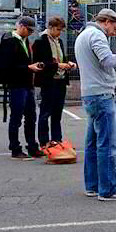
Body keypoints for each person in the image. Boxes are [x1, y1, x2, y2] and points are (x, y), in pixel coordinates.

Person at [74, 8, 116, 201]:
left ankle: (92, 186)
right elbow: (108, 61)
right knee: (107, 144)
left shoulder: (83, 35)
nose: (115, 32)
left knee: (92, 144)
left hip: (89, 94)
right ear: (106, 21)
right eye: (115, 27)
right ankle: (108, 190)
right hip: (101, 95)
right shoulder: (97, 36)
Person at [0, 16, 43, 159]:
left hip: (27, 84)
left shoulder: (25, 41)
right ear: (22, 27)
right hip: (16, 84)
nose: (30, 33)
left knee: (31, 116)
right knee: (16, 117)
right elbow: (7, 66)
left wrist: (32, 66)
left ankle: (32, 146)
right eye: (29, 30)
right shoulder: (9, 41)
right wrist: (28, 67)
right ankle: (15, 148)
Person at [32, 16, 76, 149]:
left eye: (61, 30)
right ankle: (44, 142)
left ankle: (57, 139)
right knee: (45, 113)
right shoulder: (40, 41)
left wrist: (68, 63)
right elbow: (40, 63)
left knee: (57, 113)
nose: (59, 33)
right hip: (48, 81)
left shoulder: (59, 41)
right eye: (58, 29)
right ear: (50, 27)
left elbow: (61, 57)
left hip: (61, 81)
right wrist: (58, 66)